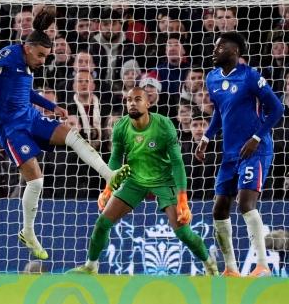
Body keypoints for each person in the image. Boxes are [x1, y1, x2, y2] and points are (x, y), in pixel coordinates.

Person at [0, 9, 131, 259]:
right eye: (41, 55)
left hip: (30, 116)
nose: (44, 60)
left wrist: (50, 106)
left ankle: (109, 175)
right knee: (36, 181)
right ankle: (28, 232)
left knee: (72, 135)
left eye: (47, 56)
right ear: (28, 47)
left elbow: (26, 91)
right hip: (9, 126)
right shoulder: (11, 53)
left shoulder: (26, 64)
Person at [68, 87, 218, 275]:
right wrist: (107, 190)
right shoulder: (121, 126)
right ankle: (91, 266)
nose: (132, 103)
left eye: (138, 99)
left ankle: (209, 264)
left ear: (148, 103)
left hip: (164, 180)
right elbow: (115, 160)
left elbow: (178, 163)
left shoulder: (164, 125)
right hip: (134, 180)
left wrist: (183, 200)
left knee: (182, 233)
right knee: (102, 224)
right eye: (129, 99)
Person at [194, 32, 283, 277]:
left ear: (234, 51)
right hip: (230, 153)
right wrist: (205, 138)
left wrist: (256, 138)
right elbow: (220, 112)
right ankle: (231, 268)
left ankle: (262, 265)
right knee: (219, 209)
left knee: (245, 203)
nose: (215, 50)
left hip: (256, 150)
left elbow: (277, 108)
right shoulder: (212, 79)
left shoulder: (250, 76)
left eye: (220, 46)